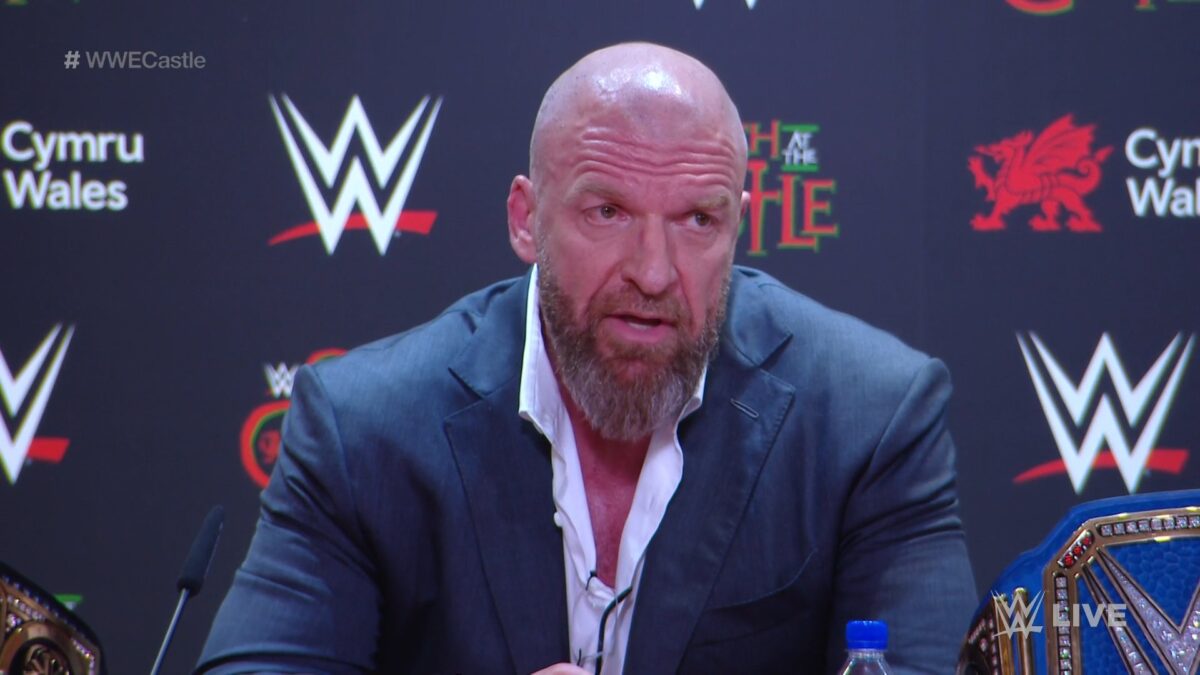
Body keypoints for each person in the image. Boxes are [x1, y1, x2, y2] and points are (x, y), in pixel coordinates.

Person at [197, 42, 976, 674]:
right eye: (608, 211)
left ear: (737, 227)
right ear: (527, 218)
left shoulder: (869, 418)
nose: (654, 271)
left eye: (697, 221)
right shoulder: (365, 428)